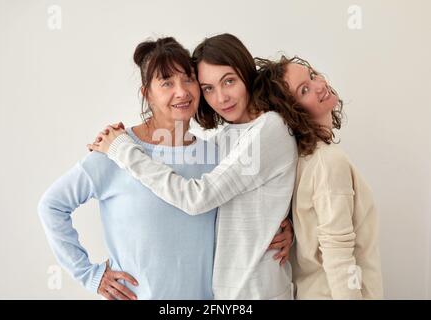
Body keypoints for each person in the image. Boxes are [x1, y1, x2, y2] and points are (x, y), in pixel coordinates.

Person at [39, 36, 291, 300]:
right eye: (167, 82)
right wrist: (89, 275)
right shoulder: (115, 150)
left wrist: (286, 227)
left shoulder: (216, 153)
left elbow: (249, 204)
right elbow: (52, 205)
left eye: (188, 79)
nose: (181, 92)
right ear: (146, 93)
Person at [252, 56, 384, 299]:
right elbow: (338, 255)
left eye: (312, 76)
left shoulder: (301, 161)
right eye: (304, 90)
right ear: (292, 112)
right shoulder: (328, 161)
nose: (320, 85)